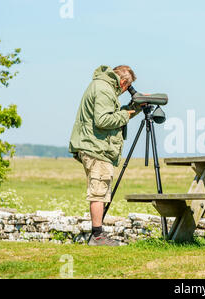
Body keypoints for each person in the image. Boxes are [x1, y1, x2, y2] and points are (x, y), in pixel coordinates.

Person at [69, 65, 141, 246]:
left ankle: (97, 234)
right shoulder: (104, 89)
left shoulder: (101, 86)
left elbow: (109, 115)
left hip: (96, 146)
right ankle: (97, 236)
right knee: (99, 191)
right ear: (123, 82)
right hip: (97, 148)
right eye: (127, 87)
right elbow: (103, 120)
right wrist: (125, 115)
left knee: (100, 190)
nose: (125, 91)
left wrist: (134, 109)